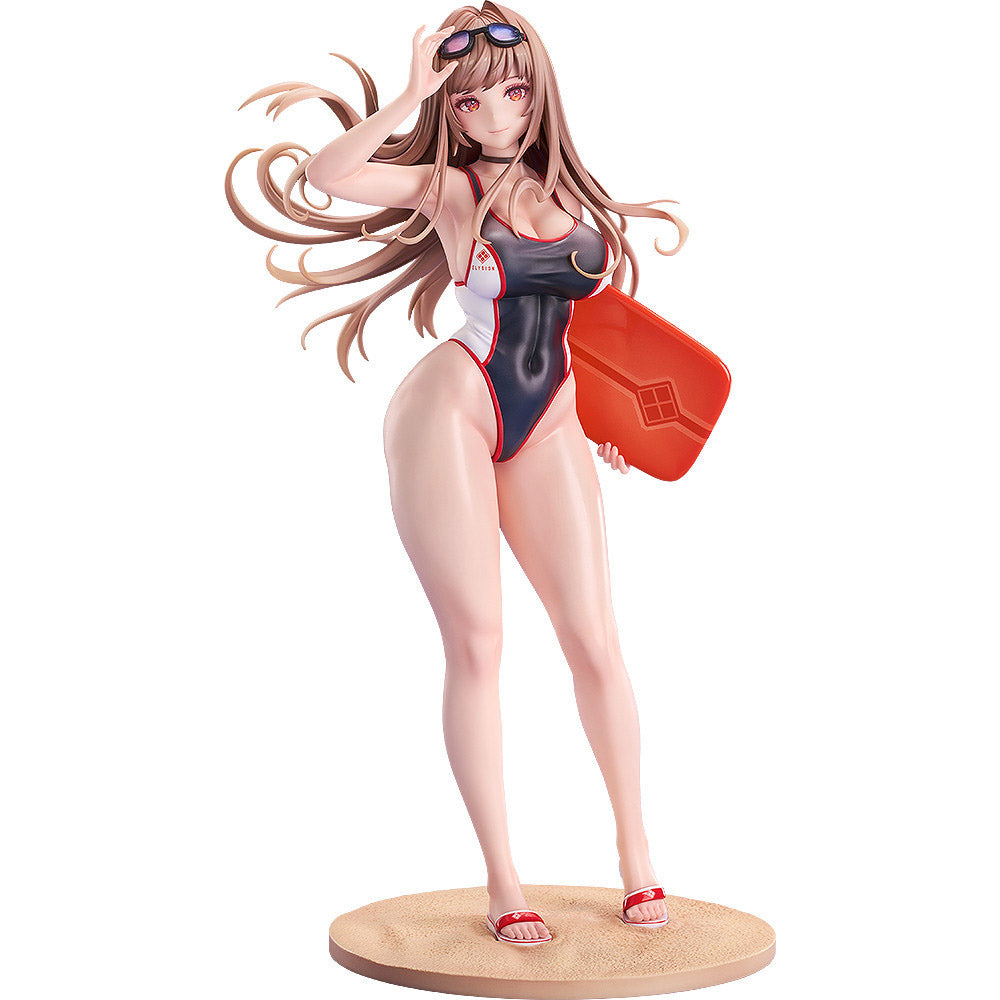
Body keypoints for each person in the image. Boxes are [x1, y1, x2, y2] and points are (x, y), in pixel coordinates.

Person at [226, 2, 687, 944]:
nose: (495, 113)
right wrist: (412, 92)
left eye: (512, 91)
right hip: (455, 404)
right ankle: (503, 881)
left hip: (553, 417)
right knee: (478, 643)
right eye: (470, 101)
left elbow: (598, 329)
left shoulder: (579, 195)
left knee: (595, 641)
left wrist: (614, 422)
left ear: (538, 90)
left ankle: (638, 854)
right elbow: (328, 176)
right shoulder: (447, 186)